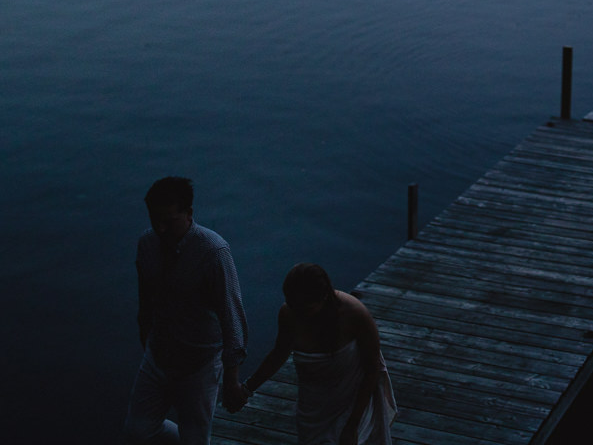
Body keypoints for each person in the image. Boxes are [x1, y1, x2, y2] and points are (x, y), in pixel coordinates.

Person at [124, 176, 250, 444]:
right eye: (155, 220)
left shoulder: (213, 251)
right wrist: (145, 336)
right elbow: (145, 298)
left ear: (189, 213)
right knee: (138, 430)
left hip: (200, 363)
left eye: (169, 221)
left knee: (195, 436)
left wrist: (232, 379)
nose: (161, 229)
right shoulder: (147, 244)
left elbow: (232, 316)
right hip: (158, 355)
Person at [236, 263, 397, 444]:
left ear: (325, 297)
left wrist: (352, 424)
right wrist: (248, 388)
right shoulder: (289, 313)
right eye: (292, 305)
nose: (299, 315)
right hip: (313, 405)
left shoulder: (355, 315)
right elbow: (279, 354)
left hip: (352, 402)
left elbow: (372, 370)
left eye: (306, 309)